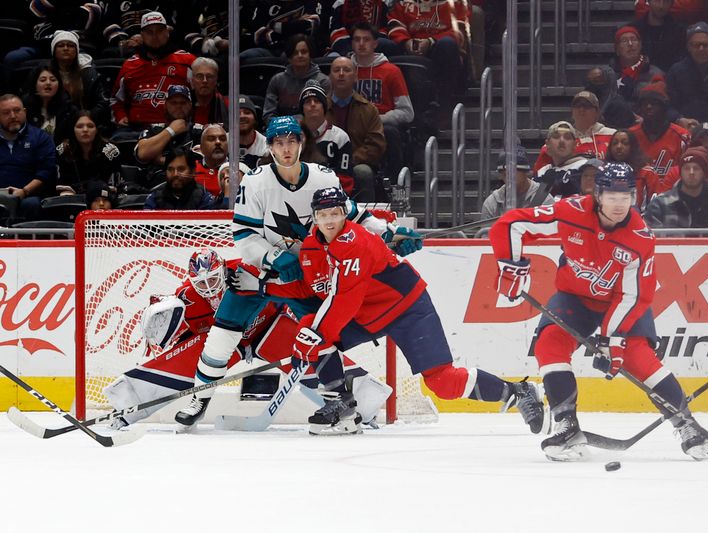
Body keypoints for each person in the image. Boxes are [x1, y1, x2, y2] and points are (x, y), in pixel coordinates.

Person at [173, 115, 410, 427]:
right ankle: (199, 398)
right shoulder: (255, 181)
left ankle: (338, 400)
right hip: (259, 271)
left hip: (308, 274)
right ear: (270, 146)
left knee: (320, 332)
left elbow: (354, 215)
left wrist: (390, 235)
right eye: (279, 142)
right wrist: (274, 258)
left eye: (292, 141)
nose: (286, 148)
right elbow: (244, 235)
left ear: (301, 143)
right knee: (222, 331)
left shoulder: (324, 178)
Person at [489, 162, 708, 461]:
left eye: (626, 197)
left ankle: (686, 423)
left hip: (622, 304)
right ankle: (567, 424)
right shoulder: (570, 212)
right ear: (598, 194)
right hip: (575, 298)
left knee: (639, 359)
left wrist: (613, 339)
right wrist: (512, 266)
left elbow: (635, 294)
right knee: (549, 344)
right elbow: (511, 224)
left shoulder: (640, 238)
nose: (619, 205)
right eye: (612, 197)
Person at [293, 186, 546, 434]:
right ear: (314, 217)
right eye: (323, 215)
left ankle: (519, 392)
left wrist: (314, 337)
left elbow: (343, 300)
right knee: (311, 328)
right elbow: (324, 294)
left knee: (443, 382)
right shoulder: (310, 250)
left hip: (408, 308)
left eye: (335, 213)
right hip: (367, 314)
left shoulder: (353, 243)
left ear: (344, 214)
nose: (329, 221)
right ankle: (342, 408)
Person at [105, 248, 391, 429]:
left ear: (223, 269)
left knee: (308, 348)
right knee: (195, 358)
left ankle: (365, 405)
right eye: (201, 283)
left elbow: (283, 288)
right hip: (227, 343)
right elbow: (179, 342)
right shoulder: (186, 299)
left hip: (267, 328)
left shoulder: (245, 270)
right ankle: (132, 406)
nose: (209, 287)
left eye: (213, 279)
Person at [110, 12, 196, 132]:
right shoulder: (130, 64)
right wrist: (120, 116)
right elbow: (116, 100)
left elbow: (204, 96)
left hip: (177, 129)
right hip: (136, 131)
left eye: (159, 31)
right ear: (142, 35)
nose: (155, 36)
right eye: (149, 32)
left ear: (167, 33)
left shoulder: (187, 60)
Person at [387, 0, 470, 123]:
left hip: (442, 52)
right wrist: (406, 42)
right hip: (411, 50)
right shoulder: (404, 3)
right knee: (384, 45)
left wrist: (431, 41)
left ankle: (444, 104)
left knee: (447, 44)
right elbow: (395, 25)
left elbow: (460, 31)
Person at [351, 22, 414, 182]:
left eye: (366, 39)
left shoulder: (391, 71)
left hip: (381, 124)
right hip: (350, 123)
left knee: (390, 132)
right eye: (357, 39)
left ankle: (395, 185)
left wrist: (378, 119)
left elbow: (407, 112)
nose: (361, 44)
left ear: (375, 43)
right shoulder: (343, 69)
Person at [326, 56, 386, 202]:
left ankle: (366, 219)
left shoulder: (368, 109)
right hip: (324, 164)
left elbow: (376, 145)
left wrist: (348, 161)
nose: (341, 74)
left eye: (346, 70)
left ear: (355, 77)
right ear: (330, 77)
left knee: (363, 172)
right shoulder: (318, 107)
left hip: (356, 164)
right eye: (336, 70)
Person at [643, 146, 708, 229]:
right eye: (686, 168)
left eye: (696, 168)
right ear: (680, 172)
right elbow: (652, 239)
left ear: (704, 172)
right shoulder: (659, 204)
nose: (691, 172)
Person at [133, 85, 202, 190]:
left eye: (183, 103)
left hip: (191, 186)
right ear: (165, 105)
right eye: (173, 103)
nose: (178, 106)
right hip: (156, 186)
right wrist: (171, 130)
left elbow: (203, 163)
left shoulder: (199, 131)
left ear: (190, 105)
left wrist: (163, 160)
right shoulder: (154, 129)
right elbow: (143, 154)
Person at [0, 94, 57, 221]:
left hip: (29, 195)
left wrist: (24, 191)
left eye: (17, 110)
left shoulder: (40, 137)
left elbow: (46, 171)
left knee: (31, 204)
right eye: (6, 112)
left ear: (24, 112)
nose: (13, 116)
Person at [533, 92, 615, 173]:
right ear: (572, 111)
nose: (581, 109)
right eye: (577, 106)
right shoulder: (557, 142)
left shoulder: (612, 136)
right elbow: (540, 173)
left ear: (597, 112)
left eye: (587, 106)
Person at [300, 80, 355, 195]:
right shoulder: (293, 137)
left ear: (324, 107)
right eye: (308, 102)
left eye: (317, 101)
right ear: (302, 108)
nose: (313, 104)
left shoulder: (340, 137)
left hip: (332, 196)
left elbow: (345, 178)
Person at [262, 35, 331, 123]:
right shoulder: (277, 80)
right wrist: (283, 127)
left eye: (304, 52)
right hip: (279, 130)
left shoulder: (323, 81)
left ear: (310, 54)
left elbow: (323, 113)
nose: (300, 55)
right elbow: (268, 114)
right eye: (295, 53)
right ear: (289, 58)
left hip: (311, 130)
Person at [630, 80, 690, 181]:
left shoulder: (682, 136)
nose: (648, 107)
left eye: (654, 103)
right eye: (645, 104)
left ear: (664, 107)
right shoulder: (630, 135)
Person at [49, 30, 110, 128]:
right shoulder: (46, 74)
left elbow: (102, 103)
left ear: (77, 51)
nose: (66, 48)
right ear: (54, 51)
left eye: (70, 45)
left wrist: (88, 116)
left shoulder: (89, 73)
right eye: (61, 45)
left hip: (85, 123)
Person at [55, 111, 121, 195]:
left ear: (97, 130)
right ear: (73, 130)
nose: (85, 130)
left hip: (103, 196)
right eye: (79, 126)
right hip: (71, 195)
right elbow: (62, 184)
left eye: (90, 126)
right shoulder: (62, 151)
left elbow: (114, 186)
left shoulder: (110, 152)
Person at [662, 123, 708, 193]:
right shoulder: (675, 173)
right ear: (691, 144)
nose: (706, 146)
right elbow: (662, 204)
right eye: (701, 142)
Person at [481, 148, 554, 219]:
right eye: (505, 174)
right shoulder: (493, 202)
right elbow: (485, 231)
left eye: (514, 172)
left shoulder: (544, 198)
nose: (510, 178)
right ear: (500, 176)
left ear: (526, 172)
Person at [242, 1, 322, 60]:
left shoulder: (310, 2)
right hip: (270, 49)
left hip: (300, 49)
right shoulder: (264, 3)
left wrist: (273, 26)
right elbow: (259, 35)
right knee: (243, 56)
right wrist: (294, 25)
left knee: (289, 56)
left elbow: (308, 26)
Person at [21, 63, 77, 144]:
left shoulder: (69, 110)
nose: (48, 83)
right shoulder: (24, 107)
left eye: (53, 80)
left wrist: (56, 151)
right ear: (35, 85)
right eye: (43, 80)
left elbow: (69, 142)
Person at [604, 129, 660, 208]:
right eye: (615, 143)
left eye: (625, 143)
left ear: (633, 147)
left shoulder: (647, 173)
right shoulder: (604, 172)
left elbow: (655, 206)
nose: (619, 147)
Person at [144, 148, 215, 210]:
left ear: (193, 171)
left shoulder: (204, 198)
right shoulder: (154, 198)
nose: (175, 174)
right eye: (170, 169)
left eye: (181, 169)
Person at [610, 26, 664, 105]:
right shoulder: (609, 75)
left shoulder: (655, 73)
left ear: (640, 45)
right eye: (624, 41)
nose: (630, 44)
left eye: (634, 39)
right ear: (617, 49)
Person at [533, 121, 587, 199]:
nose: (562, 141)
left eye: (567, 137)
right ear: (547, 144)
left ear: (575, 145)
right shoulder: (542, 172)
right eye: (556, 137)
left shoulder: (585, 167)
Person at [630, 0, 686, 72]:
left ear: (672, 3)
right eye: (657, 0)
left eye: (666, 1)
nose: (661, 6)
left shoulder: (680, 32)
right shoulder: (634, 30)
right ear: (648, 1)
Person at [329, 0, 400, 57]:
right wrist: (352, 47)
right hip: (348, 43)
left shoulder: (382, 3)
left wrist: (370, 43)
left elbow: (384, 28)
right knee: (333, 56)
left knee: (388, 45)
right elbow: (336, 32)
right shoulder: (341, 3)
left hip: (375, 42)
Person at [191, 57, 228, 129]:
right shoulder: (183, 106)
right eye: (199, 76)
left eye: (209, 76)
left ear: (216, 80)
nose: (204, 81)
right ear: (192, 80)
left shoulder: (228, 105)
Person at [194, 124, 228, 196]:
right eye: (211, 139)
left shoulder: (238, 170)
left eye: (222, 139)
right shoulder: (192, 168)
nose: (218, 142)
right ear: (201, 147)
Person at [237, 95, 267, 169]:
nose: (242, 116)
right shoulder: (222, 141)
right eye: (237, 113)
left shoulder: (266, 145)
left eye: (247, 112)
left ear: (255, 119)